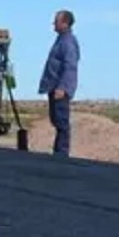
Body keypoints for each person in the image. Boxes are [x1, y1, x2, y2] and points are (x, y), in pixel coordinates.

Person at [37, 9, 80, 157]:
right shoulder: (61, 40)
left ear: (65, 23)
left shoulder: (68, 42)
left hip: (60, 89)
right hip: (53, 86)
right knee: (56, 120)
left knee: (62, 122)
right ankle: (58, 153)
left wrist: (63, 87)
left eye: (56, 21)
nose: (53, 24)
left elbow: (70, 66)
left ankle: (61, 153)